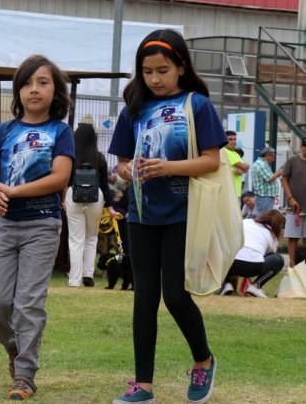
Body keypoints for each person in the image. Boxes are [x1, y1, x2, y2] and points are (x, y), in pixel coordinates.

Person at [108, 29, 227, 404]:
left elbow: (211, 160)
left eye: (162, 70)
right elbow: (122, 162)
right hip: (140, 214)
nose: (155, 79)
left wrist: (168, 167)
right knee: (144, 297)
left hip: (183, 214)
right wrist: (126, 171)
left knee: (175, 295)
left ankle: (204, 361)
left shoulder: (198, 105)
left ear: (180, 67)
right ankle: (142, 385)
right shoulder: (134, 107)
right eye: (147, 71)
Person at [0, 55, 74, 400]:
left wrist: (11, 190)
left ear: (55, 91)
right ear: (17, 92)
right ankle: (16, 348)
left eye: (43, 83)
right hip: (4, 226)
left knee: (29, 304)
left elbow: (60, 177)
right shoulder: (3, 132)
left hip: (43, 225)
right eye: (27, 83)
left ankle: (24, 375)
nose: (34, 90)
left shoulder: (61, 132)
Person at [65, 123, 118, 288]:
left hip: (73, 195)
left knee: (75, 239)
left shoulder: (70, 156)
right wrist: (110, 207)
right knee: (91, 237)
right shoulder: (99, 158)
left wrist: (62, 199)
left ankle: (74, 279)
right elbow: (104, 184)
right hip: (96, 197)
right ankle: (88, 275)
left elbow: (65, 181)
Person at [218, 210, 285, 298]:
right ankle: (256, 286)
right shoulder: (273, 237)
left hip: (231, 264)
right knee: (278, 259)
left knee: (227, 250)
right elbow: (271, 255)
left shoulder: (246, 222)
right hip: (252, 267)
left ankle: (226, 284)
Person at [281, 137, 306, 268]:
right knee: (293, 237)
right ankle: (292, 264)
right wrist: (290, 198)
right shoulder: (292, 160)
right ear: (302, 146)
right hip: (294, 206)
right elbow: (284, 179)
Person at [250, 146, 281, 216]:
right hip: (265, 197)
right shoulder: (262, 164)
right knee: (264, 217)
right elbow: (270, 179)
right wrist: (278, 172)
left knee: (264, 217)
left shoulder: (260, 164)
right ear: (267, 155)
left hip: (264, 197)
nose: (273, 160)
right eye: (273, 157)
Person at [224, 130, 249, 199]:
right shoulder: (226, 152)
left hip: (235, 191)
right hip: (230, 191)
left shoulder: (234, 153)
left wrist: (243, 168)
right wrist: (244, 166)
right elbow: (244, 167)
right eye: (230, 139)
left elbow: (245, 169)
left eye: (235, 139)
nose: (233, 141)